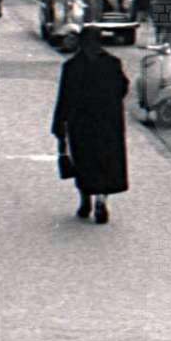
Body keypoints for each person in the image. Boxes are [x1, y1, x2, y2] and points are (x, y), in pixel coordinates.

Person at [51, 25, 131, 223]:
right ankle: (101, 200)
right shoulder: (113, 63)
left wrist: (59, 124)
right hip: (108, 123)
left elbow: (64, 97)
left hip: (81, 124)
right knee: (106, 163)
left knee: (84, 162)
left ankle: (85, 199)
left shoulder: (72, 66)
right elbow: (123, 88)